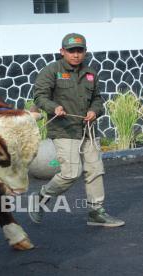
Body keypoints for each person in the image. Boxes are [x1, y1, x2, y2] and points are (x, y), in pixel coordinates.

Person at [29, 33, 125, 227]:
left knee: (95, 170)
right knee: (71, 173)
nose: (75, 55)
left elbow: (97, 98)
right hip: (64, 130)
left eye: (79, 51)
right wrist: (53, 107)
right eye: (71, 51)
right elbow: (39, 96)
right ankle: (41, 197)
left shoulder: (90, 73)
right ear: (62, 51)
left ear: (85, 52)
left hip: (88, 129)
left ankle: (96, 212)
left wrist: (94, 111)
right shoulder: (51, 71)